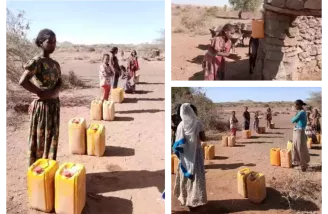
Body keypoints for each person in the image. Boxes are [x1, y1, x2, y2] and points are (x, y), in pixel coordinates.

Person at [19, 29, 62, 166]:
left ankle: (48, 167)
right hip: (42, 107)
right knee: (40, 138)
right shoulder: (36, 62)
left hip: (54, 105)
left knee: (52, 137)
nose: (53, 45)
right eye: (49, 42)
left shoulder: (55, 64)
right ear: (40, 42)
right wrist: (40, 92)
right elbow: (23, 81)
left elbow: (60, 81)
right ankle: (37, 170)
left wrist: (54, 92)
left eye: (54, 42)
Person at [173, 103, 207, 212]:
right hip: (195, 154)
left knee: (186, 177)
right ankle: (195, 201)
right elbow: (203, 138)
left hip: (185, 157)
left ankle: (185, 199)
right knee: (196, 177)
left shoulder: (181, 125)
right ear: (192, 112)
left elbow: (177, 144)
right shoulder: (198, 124)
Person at [291, 99, 310, 172]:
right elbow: (295, 120)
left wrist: (295, 114)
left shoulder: (301, 113)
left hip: (299, 132)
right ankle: (298, 163)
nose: (295, 106)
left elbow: (292, 120)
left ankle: (303, 165)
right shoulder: (301, 112)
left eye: (295, 105)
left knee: (300, 149)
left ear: (299, 105)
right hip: (298, 131)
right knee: (296, 147)